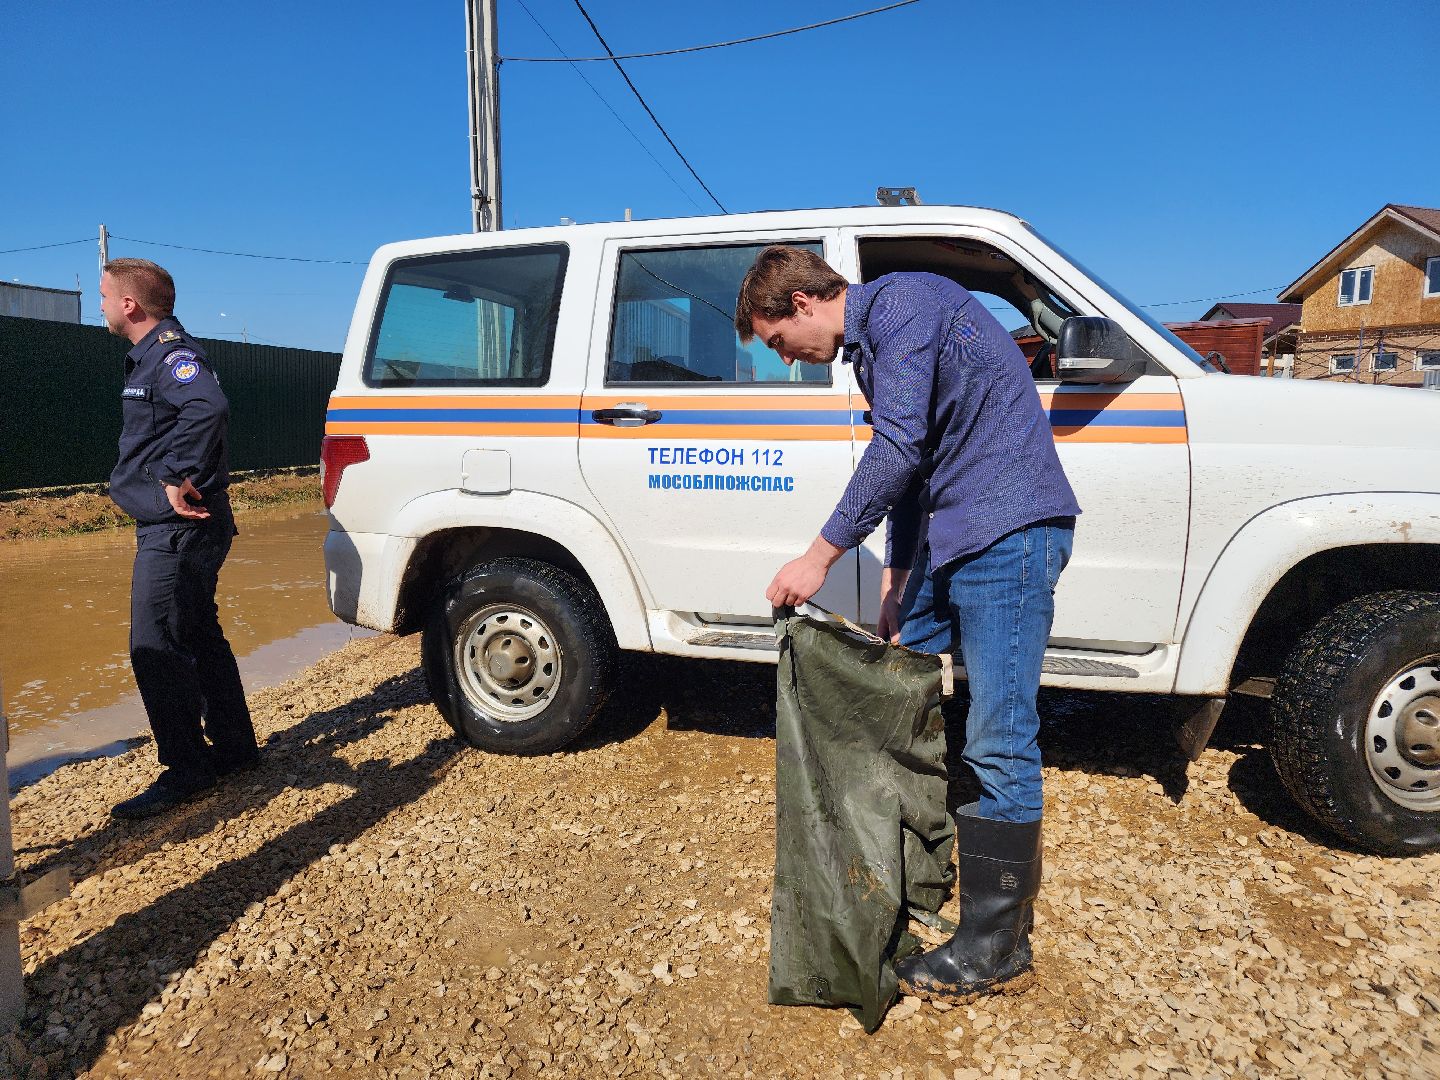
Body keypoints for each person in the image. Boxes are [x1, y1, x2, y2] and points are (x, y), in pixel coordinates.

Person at [736, 246, 1081, 1002]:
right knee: (905, 691)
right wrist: (894, 584)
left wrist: (820, 557)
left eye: (777, 343)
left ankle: (997, 945)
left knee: (999, 733)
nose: (787, 359)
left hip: (1010, 529)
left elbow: (897, 448)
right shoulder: (872, 349)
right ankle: (917, 866)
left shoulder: (907, 306)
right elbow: (912, 473)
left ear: (800, 305)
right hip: (952, 530)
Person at [99, 258, 258, 820]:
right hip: (190, 523)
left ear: (129, 305)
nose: (100, 306)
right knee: (196, 627)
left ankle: (186, 770)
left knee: (155, 643)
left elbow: (208, 407)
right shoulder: (154, 356)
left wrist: (174, 475)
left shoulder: (170, 356)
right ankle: (236, 748)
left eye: (103, 297)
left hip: (177, 527)